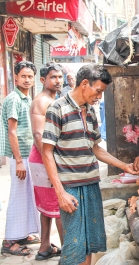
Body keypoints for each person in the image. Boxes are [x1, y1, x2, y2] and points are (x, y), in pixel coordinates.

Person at [41, 64, 138, 265]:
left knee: (90, 244)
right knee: (74, 246)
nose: (99, 97)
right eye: (98, 91)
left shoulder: (90, 112)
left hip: (91, 184)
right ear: (84, 84)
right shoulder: (57, 109)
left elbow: (96, 148)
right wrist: (60, 193)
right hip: (70, 187)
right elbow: (47, 152)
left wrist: (124, 166)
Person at [1, 61, 41, 256]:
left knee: (27, 196)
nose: (27, 79)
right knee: (18, 196)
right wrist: (18, 160)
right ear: (15, 77)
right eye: (23, 76)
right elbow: (12, 131)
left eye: (30, 76)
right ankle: (8, 242)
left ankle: (21, 234)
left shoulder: (26, 98)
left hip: (27, 154)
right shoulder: (14, 99)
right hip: (20, 156)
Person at [29, 63, 64, 260]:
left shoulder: (51, 99)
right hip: (43, 158)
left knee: (48, 205)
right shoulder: (43, 101)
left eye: (59, 77)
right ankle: (68, 252)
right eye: (53, 77)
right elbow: (38, 135)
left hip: (43, 158)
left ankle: (44, 248)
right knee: (59, 205)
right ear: (43, 80)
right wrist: (51, 163)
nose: (57, 81)